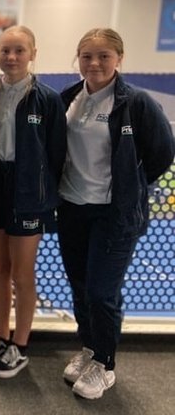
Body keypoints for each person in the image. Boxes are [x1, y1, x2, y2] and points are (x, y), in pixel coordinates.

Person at [57, 28, 174, 399]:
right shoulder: (68, 99)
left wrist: (129, 189)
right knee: (79, 287)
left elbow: (161, 155)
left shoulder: (135, 103)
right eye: (87, 56)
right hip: (72, 209)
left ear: (119, 59)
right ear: (78, 59)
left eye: (103, 56)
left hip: (114, 215)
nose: (94, 63)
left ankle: (105, 364)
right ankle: (90, 348)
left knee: (102, 292)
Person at [0, 26, 66, 378]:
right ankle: (0, 337)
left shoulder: (47, 100)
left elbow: (57, 154)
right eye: (5, 51)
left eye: (19, 51)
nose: (11, 57)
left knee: (23, 273)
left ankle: (20, 346)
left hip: (29, 195)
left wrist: (44, 195)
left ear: (32, 53)